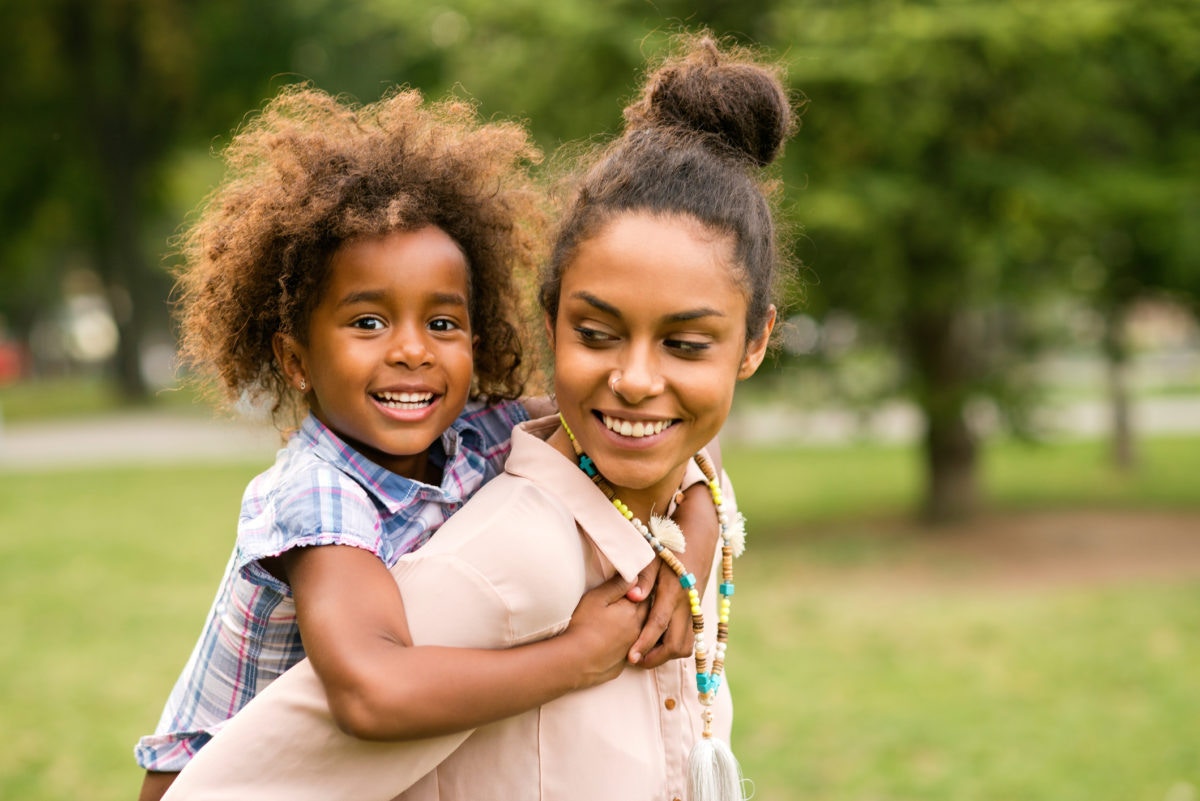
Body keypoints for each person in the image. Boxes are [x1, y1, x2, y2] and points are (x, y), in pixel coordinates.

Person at [161, 32, 795, 801]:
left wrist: (691, 540)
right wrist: (576, 653)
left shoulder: (471, 432)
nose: (410, 353)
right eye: (366, 323)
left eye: (442, 324)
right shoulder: (317, 494)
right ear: (295, 360)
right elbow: (370, 691)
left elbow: (657, 426)